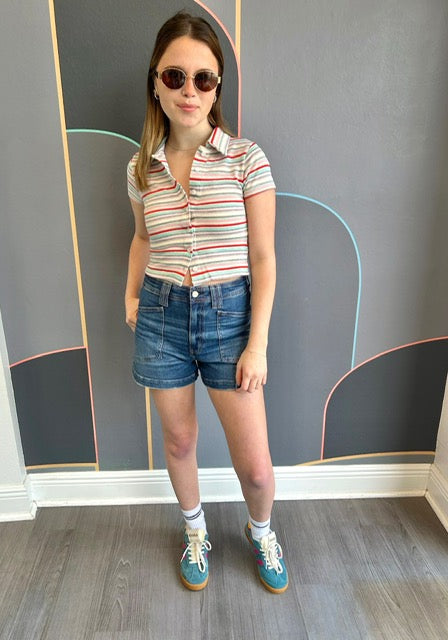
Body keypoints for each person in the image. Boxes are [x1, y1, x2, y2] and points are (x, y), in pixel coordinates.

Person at [125, 11, 288, 594]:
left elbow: (264, 258)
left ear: (217, 88)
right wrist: (131, 295)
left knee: (258, 468)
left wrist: (257, 344)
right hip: (160, 316)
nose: (189, 91)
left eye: (203, 78)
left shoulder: (247, 160)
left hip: (230, 320)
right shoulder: (140, 168)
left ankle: (261, 531)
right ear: (156, 83)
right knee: (179, 441)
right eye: (175, 76)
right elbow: (143, 239)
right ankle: (194, 530)